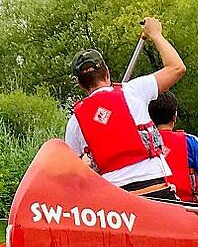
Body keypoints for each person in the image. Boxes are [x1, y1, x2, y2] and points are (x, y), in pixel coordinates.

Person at [64, 17, 186, 201]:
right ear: (107, 72)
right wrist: (156, 34)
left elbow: (72, 171)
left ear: (81, 84)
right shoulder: (134, 91)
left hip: (116, 204)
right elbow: (177, 68)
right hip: (155, 190)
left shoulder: (75, 122)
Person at [147, 91, 198, 202]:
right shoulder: (191, 142)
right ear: (174, 117)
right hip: (185, 210)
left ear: (150, 117)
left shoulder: (141, 142)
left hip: (151, 209)